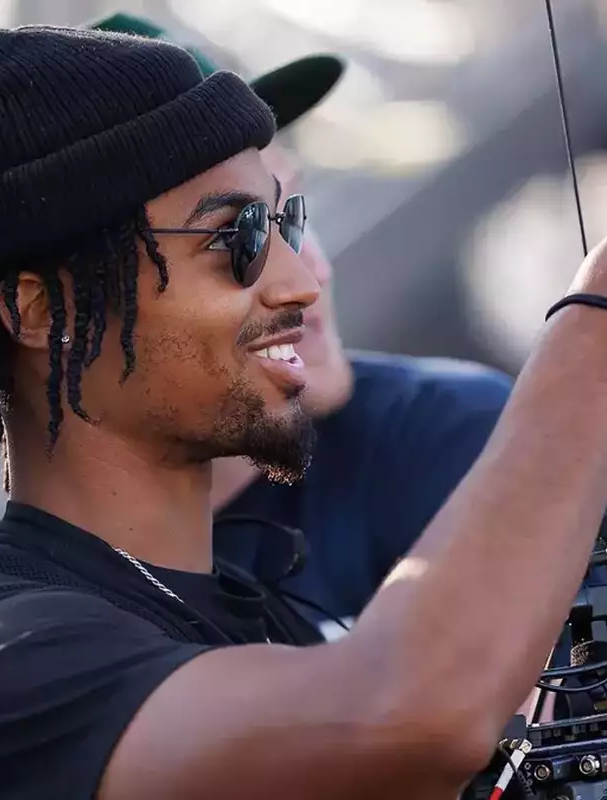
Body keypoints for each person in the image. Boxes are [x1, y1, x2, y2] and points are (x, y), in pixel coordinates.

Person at [0, 23, 607, 800]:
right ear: (41, 310)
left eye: (291, 222)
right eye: (234, 241)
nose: (298, 278)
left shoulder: (265, 615)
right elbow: (406, 716)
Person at [86, 12, 515, 639]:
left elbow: (532, 726)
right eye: (240, 236)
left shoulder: (439, 428)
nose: (310, 274)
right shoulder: (22, 609)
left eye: (294, 214)